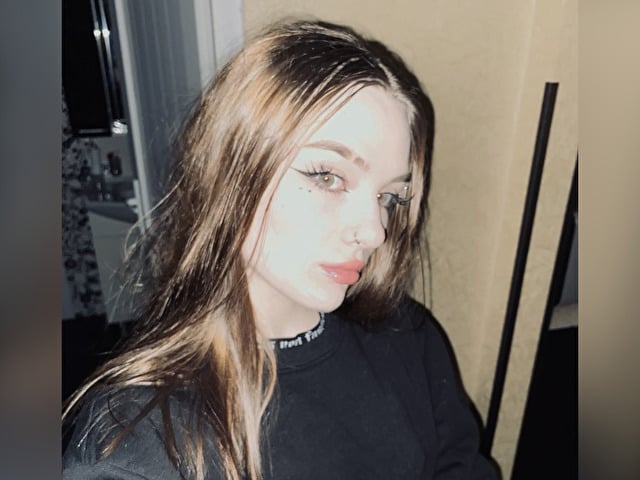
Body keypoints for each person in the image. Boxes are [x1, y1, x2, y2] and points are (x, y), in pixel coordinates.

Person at [62, 19, 499, 480]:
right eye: (328, 176)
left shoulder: (407, 332)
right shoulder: (140, 445)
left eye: (389, 196)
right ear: (233, 169)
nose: (374, 232)